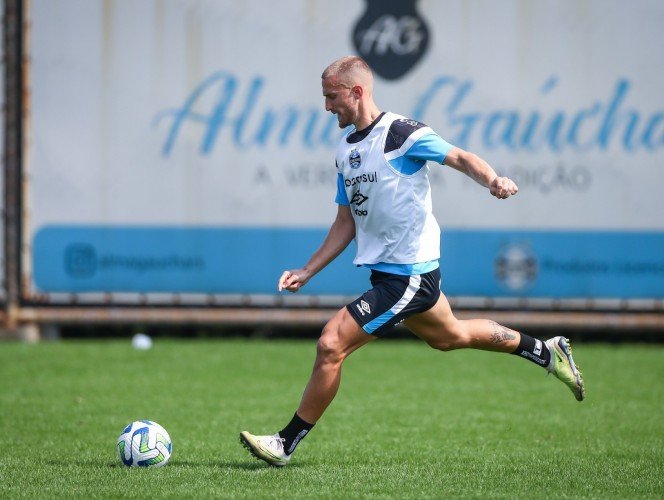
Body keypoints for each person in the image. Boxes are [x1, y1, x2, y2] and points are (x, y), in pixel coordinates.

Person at [240, 56, 584, 467]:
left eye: (331, 97)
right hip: (391, 275)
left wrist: (493, 179)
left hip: (408, 279)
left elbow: (459, 157)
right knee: (450, 336)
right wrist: (308, 270)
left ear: (357, 92)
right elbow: (344, 221)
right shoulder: (345, 151)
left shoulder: (401, 134)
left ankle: (285, 443)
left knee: (331, 344)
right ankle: (547, 352)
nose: (327, 107)